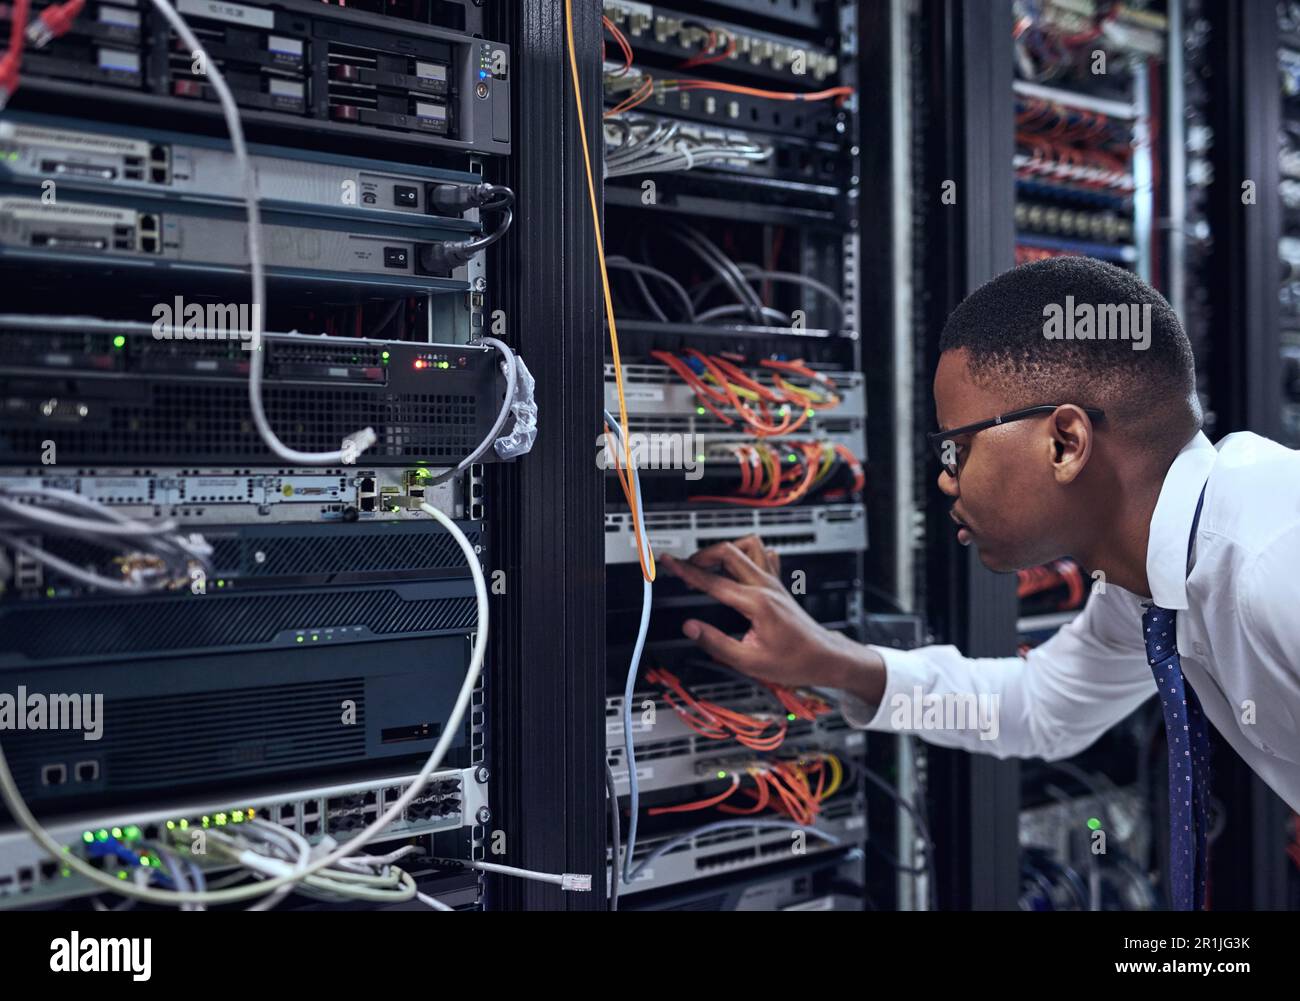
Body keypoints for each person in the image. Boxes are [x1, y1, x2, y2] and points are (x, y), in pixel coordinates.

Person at [661, 256, 1300, 911]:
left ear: (1065, 443)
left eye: (959, 448)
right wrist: (828, 660)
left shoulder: (1271, 564)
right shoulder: (1148, 587)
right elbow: (1040, 709)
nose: (946, 478)